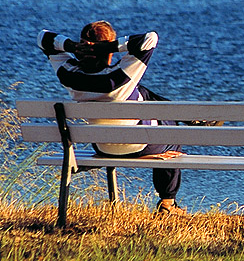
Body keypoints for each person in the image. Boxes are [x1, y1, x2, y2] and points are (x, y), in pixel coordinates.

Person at [37, 21, 187, 216]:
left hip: (102, 147)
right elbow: (149, 39)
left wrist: (72, 46)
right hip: (140, 147)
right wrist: (109, 47)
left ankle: (191, 120)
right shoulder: (120, 76)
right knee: (171, 133)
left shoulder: (69, 76)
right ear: (107, 50)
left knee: (141, 92)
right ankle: (167, 202)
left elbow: (43, 38)